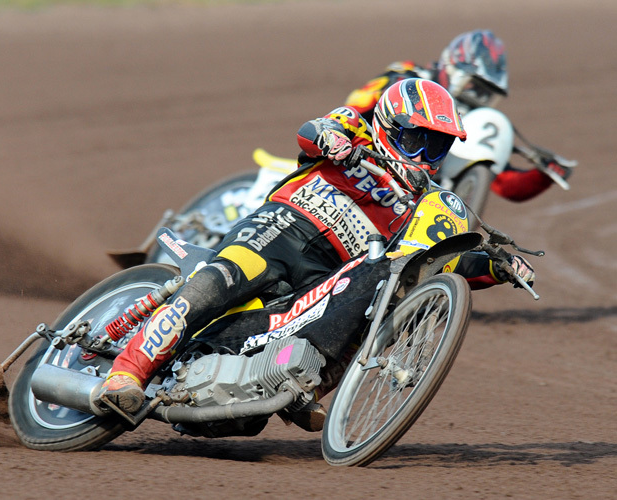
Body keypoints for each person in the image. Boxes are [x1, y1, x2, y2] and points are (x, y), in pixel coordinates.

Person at [97, 78, 535, 418]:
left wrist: (499, 267)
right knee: (221, 279)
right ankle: (126, 374)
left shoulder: (424, 203)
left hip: (325, 272)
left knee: (362, 317)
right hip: (280, 230)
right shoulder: (357, 133)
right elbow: (314, 130)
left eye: (436, 145)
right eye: (415, 138)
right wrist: (332, 141)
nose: (425, 153)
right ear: (388, 125)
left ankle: (291, 389)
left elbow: (439, 261)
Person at [344, 29, 573, 202]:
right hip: (362, 169)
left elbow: (504, 185)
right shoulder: (407, 76)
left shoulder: (473, 124)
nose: (477, 97)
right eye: (474, 86)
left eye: (486, 93)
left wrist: (543, 176)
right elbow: (354, 105)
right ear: (450, 68)